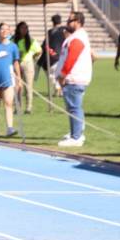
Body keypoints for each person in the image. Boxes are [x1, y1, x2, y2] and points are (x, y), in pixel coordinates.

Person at [56, 12, 92, 147]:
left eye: (70, 20)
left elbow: (72, 57)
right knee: (74, 107)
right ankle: (75, 132)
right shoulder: (77, 37)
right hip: (76, 77)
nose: (67, 23)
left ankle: (76, 137)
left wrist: (63, 74)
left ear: (78, 22)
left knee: (74, 107)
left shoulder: (77, 38)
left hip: (74, 78)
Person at [0, 23, 22, 137]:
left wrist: (19, 78)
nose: (4, 31)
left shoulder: (13, 46)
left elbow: (16, 62)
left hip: (8, 78)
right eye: (2, 29)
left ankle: (9, 128)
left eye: (7, 29)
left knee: (9, 103)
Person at [13, 21, 41, 114]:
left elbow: (39, 50)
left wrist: (33, 57)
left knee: (28, 86)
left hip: (27, 63)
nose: (24, 30)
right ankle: (18, 107)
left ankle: (29, 107)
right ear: (18, 29)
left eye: (26, 28)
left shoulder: (31, 40)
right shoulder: (13, 40)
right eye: (22, 28)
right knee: (17, 86)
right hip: (16, 63)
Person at [41, 14, 66, 80]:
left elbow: (44, 46)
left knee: (52, 77)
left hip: (51, 59)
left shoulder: (50, 32)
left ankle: (55, 84)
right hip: (62, 58)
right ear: (60, 21)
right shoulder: (66, 30)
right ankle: (56, 85)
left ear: (53, 22)